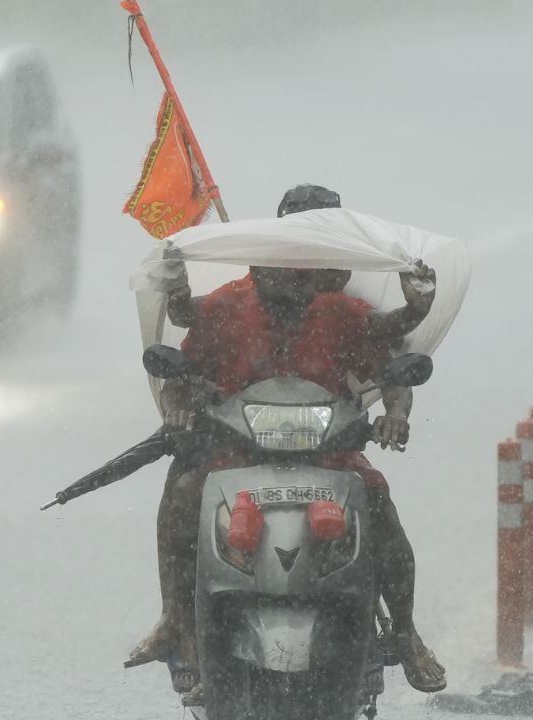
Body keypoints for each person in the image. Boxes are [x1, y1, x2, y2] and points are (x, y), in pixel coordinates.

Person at [127, 184, 447, 701]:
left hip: (330, 457)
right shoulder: (227, 306)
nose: (297, 276)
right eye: (290, 259)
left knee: (379, 500)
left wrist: (395, 412)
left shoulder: (342, 311)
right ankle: (177, 623)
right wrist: (178, 409)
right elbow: (181, 363)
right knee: (185, 494)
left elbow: (391, 358)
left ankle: (405, 634)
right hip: (233, 455)